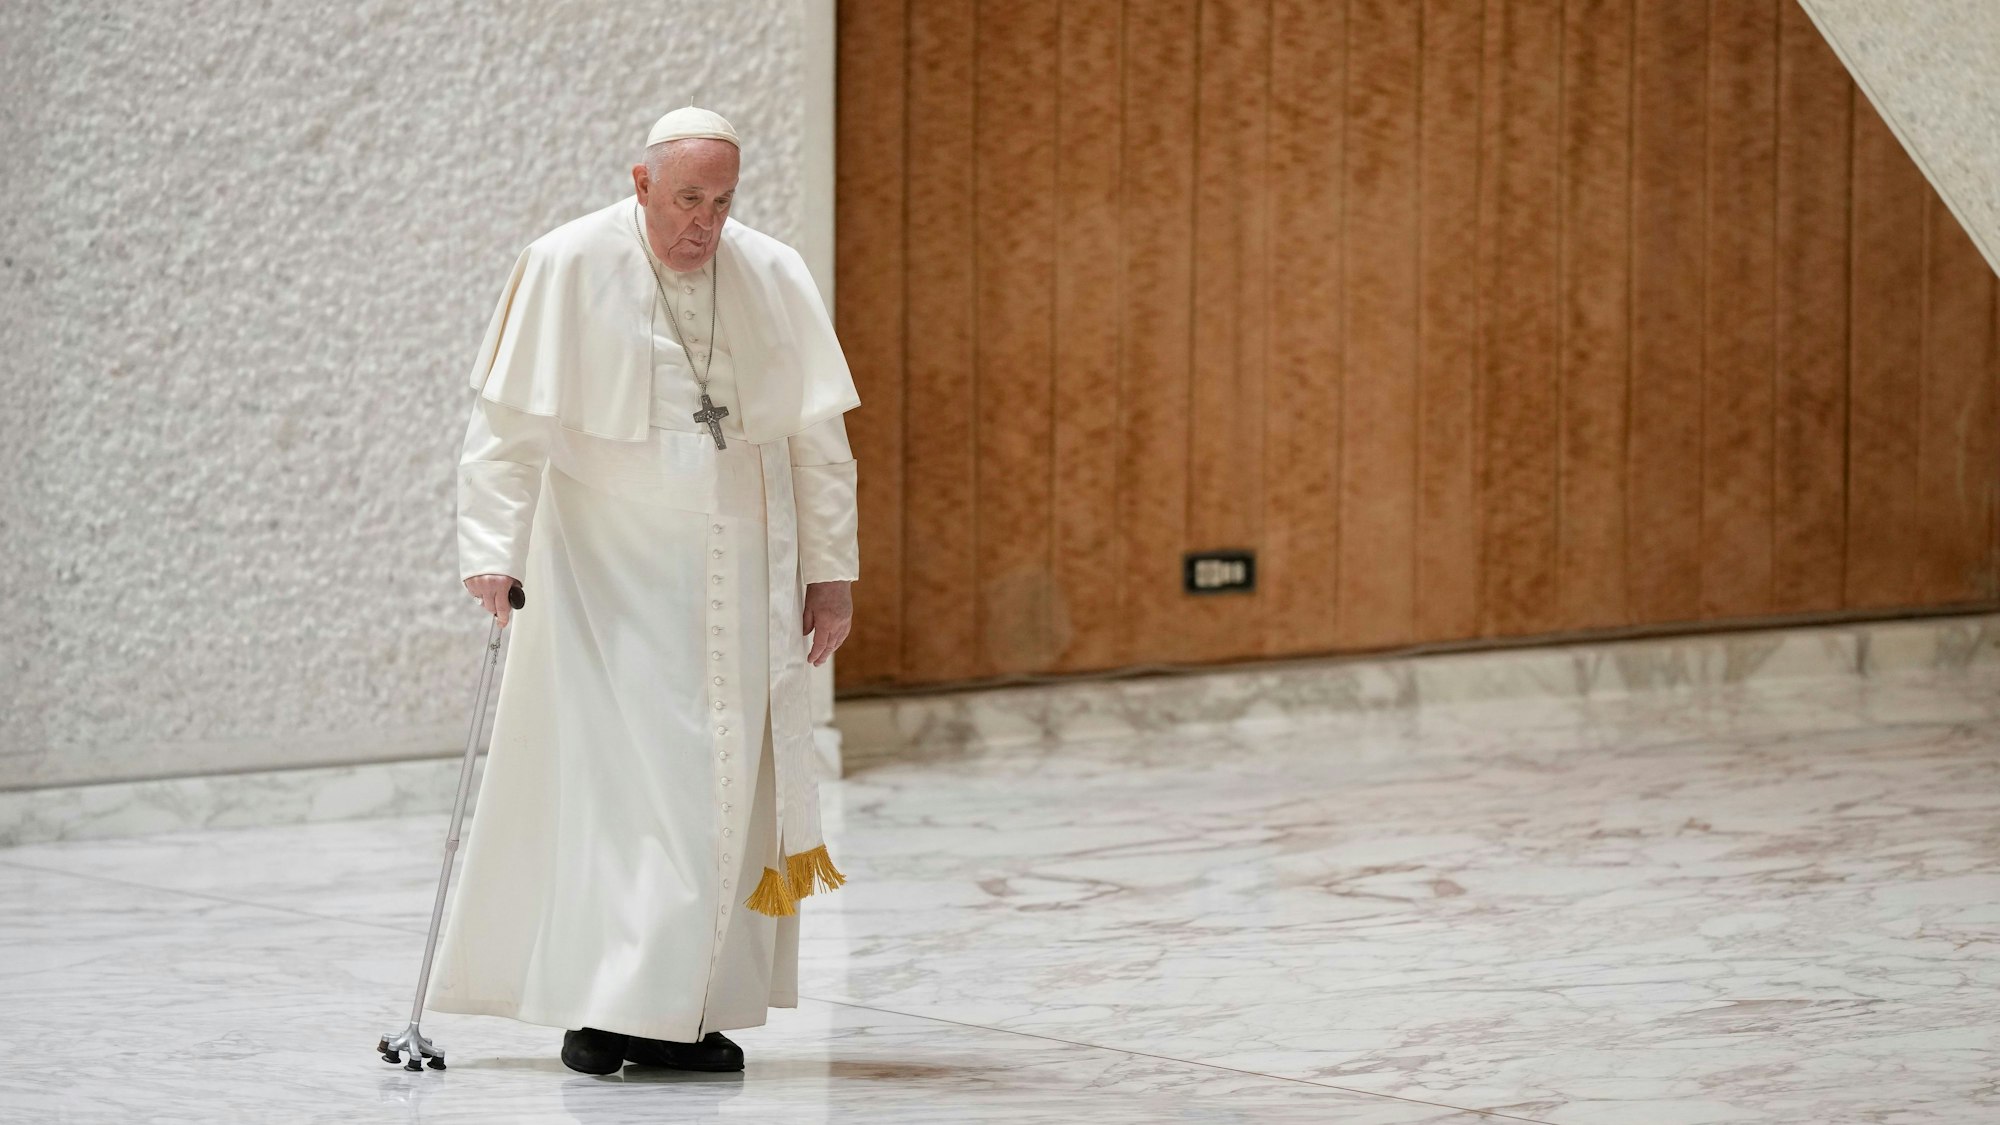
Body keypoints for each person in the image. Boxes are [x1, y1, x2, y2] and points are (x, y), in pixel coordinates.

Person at [423, 106, 861, 1076]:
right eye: (684, 200)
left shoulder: (773, 272)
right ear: (639, 185)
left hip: (739, 575)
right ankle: (607, 1009)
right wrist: (492, 551)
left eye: (720, 201)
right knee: (625, 796)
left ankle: (693, 1014)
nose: (702, 224)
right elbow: (503, 430)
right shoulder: (565, 263)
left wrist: (829, 576)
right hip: (602, 572)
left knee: (723, 795)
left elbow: (819, 444)